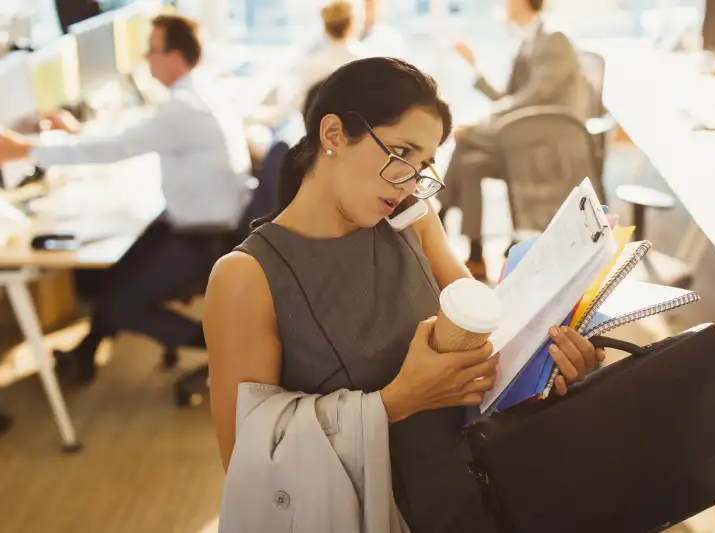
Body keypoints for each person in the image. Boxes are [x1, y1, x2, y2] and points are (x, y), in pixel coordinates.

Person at [204, 57, 604, 532]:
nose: (412, 182)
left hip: (475, 494)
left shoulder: (413, 220)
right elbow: (249, 461)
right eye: (400, 154)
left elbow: (490, 346)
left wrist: (547, 366)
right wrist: (396, 401)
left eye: (424, 165)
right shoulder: (246, 277)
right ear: (333, 135)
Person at [0, 14, 251, 383]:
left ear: (175, 56)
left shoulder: (183, 109)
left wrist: (26, 149)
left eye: (152, 50)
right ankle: (85, 352)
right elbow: (127, 139)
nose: (145, 58)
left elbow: (117, 147)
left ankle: (224, 348)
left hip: (203, 237)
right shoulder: (196, 93)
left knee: (120, 305)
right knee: (113, 277)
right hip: (200, 222)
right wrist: (72, 135)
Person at [438, 0, 592, 280]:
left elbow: (533, 99)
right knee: (471, 161)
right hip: (526, 133)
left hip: (548, 140)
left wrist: (479, 123)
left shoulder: (554, 37)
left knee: (466, 137)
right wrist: (475, 66)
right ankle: (475, 252)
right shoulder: (529, 38)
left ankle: (443, 215)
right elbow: (508, 100)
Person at [248, 0, 367, 130]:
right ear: (354, 24)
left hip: (320, 144)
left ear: (325, 27)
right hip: (359, 141)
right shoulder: (369, 64)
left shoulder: (310, 64)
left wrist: (249, 116)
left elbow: (288, 112)